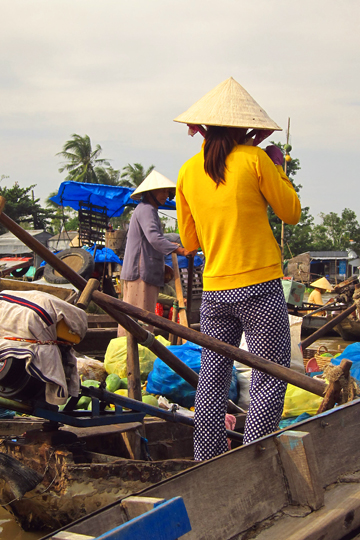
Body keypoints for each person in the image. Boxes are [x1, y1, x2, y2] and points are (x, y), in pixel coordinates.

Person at [174, 77, 301, 460]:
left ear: (205, 128)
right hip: (260, 286)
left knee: (212, 379)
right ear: (246, 129)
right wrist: (278, 168)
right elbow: (291, 213)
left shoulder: (187, 171)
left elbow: (190, 242)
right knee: (270, 372)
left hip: (215, 291)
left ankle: (205, 458)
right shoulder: (256, 159)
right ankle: (253, 456)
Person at [118, 170, 195, 337]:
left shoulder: (147, 210)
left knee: (141, 319)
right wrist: (181, 250)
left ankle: (135, 353)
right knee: (140, 319)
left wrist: (171, 245)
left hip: (143, 270)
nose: (165, 195)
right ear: (150, 193)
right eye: (161, 191)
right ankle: (131, 354)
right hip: (140, 272)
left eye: (167, 192)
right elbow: (154, 238)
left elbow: (152, 238)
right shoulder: (146, 209)